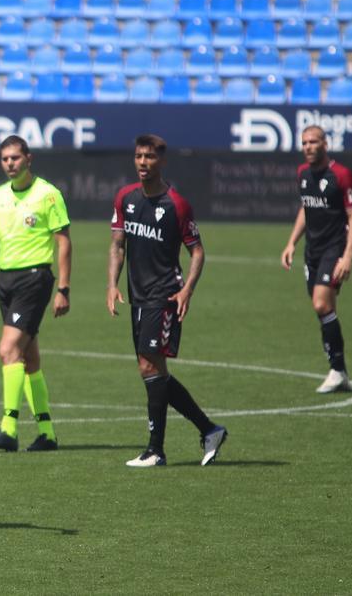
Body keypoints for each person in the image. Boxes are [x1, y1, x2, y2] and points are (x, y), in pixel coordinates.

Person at [106, 134, 227, 468]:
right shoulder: (125, 198)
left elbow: (197, 251)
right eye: (138, 156)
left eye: (150, 157)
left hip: (164, 295)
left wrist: (188, 289)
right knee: (153, 372)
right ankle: (209, 430)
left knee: (150, 366)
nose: (143, 162)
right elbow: (118, 245)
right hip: (137, 297)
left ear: (162, 161)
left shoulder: (177, 204)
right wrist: (111, 284)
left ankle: (156, 450)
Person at [0, 135, 72, 453]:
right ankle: (47, 433)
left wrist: (63, 288)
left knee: (7, 350)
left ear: (29, 158)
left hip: (34, 278)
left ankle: (8, 429)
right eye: (5, 159)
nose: (10, 164)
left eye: (15, 158)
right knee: (29, 359)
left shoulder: (48, 194)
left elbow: (63, 241)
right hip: (5, 281)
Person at [280, 125, 352, 393]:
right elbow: (306, 208)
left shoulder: (342, 175)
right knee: (326, 310)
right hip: (312, 252)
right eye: (304, 143)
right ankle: (340, 371)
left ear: (325, 144)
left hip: (334, 248)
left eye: (313, 142)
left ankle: (337, 370)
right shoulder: (303, 173)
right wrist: (292, 242)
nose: (308, 147)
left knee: (321, 305)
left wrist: (348, 256)